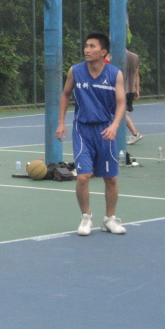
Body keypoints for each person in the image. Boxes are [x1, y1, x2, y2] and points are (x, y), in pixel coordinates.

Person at [56, 32, 126, 236]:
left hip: (105, 130)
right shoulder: (75, 71)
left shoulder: (115, 74)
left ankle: (109, 219)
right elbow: (65, 95)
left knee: (110, 179)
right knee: (83, 177)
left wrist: (114, 126)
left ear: (103, 52)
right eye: (86, 46)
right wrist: (61, 123)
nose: (87, 50)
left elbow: (121, 102)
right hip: (82, 130)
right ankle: (86, 217)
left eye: (92, 46)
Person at [125, 48, 143, 145]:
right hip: (131, 89)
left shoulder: (116, 56)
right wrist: (137, 89)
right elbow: (136, 74)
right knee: (122, 114)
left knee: (121, 114)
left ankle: (135, 134)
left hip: (122, 90)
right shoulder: (135, 56)